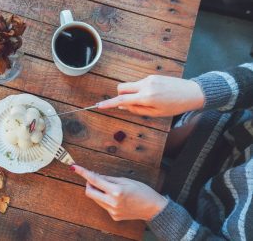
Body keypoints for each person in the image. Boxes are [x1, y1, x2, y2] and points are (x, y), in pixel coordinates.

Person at [71, 63, 253, 240]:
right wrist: (198, 92)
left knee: (111, 177)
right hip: (226, 126)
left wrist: (155, 211)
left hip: (200, 213)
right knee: (139, 127)